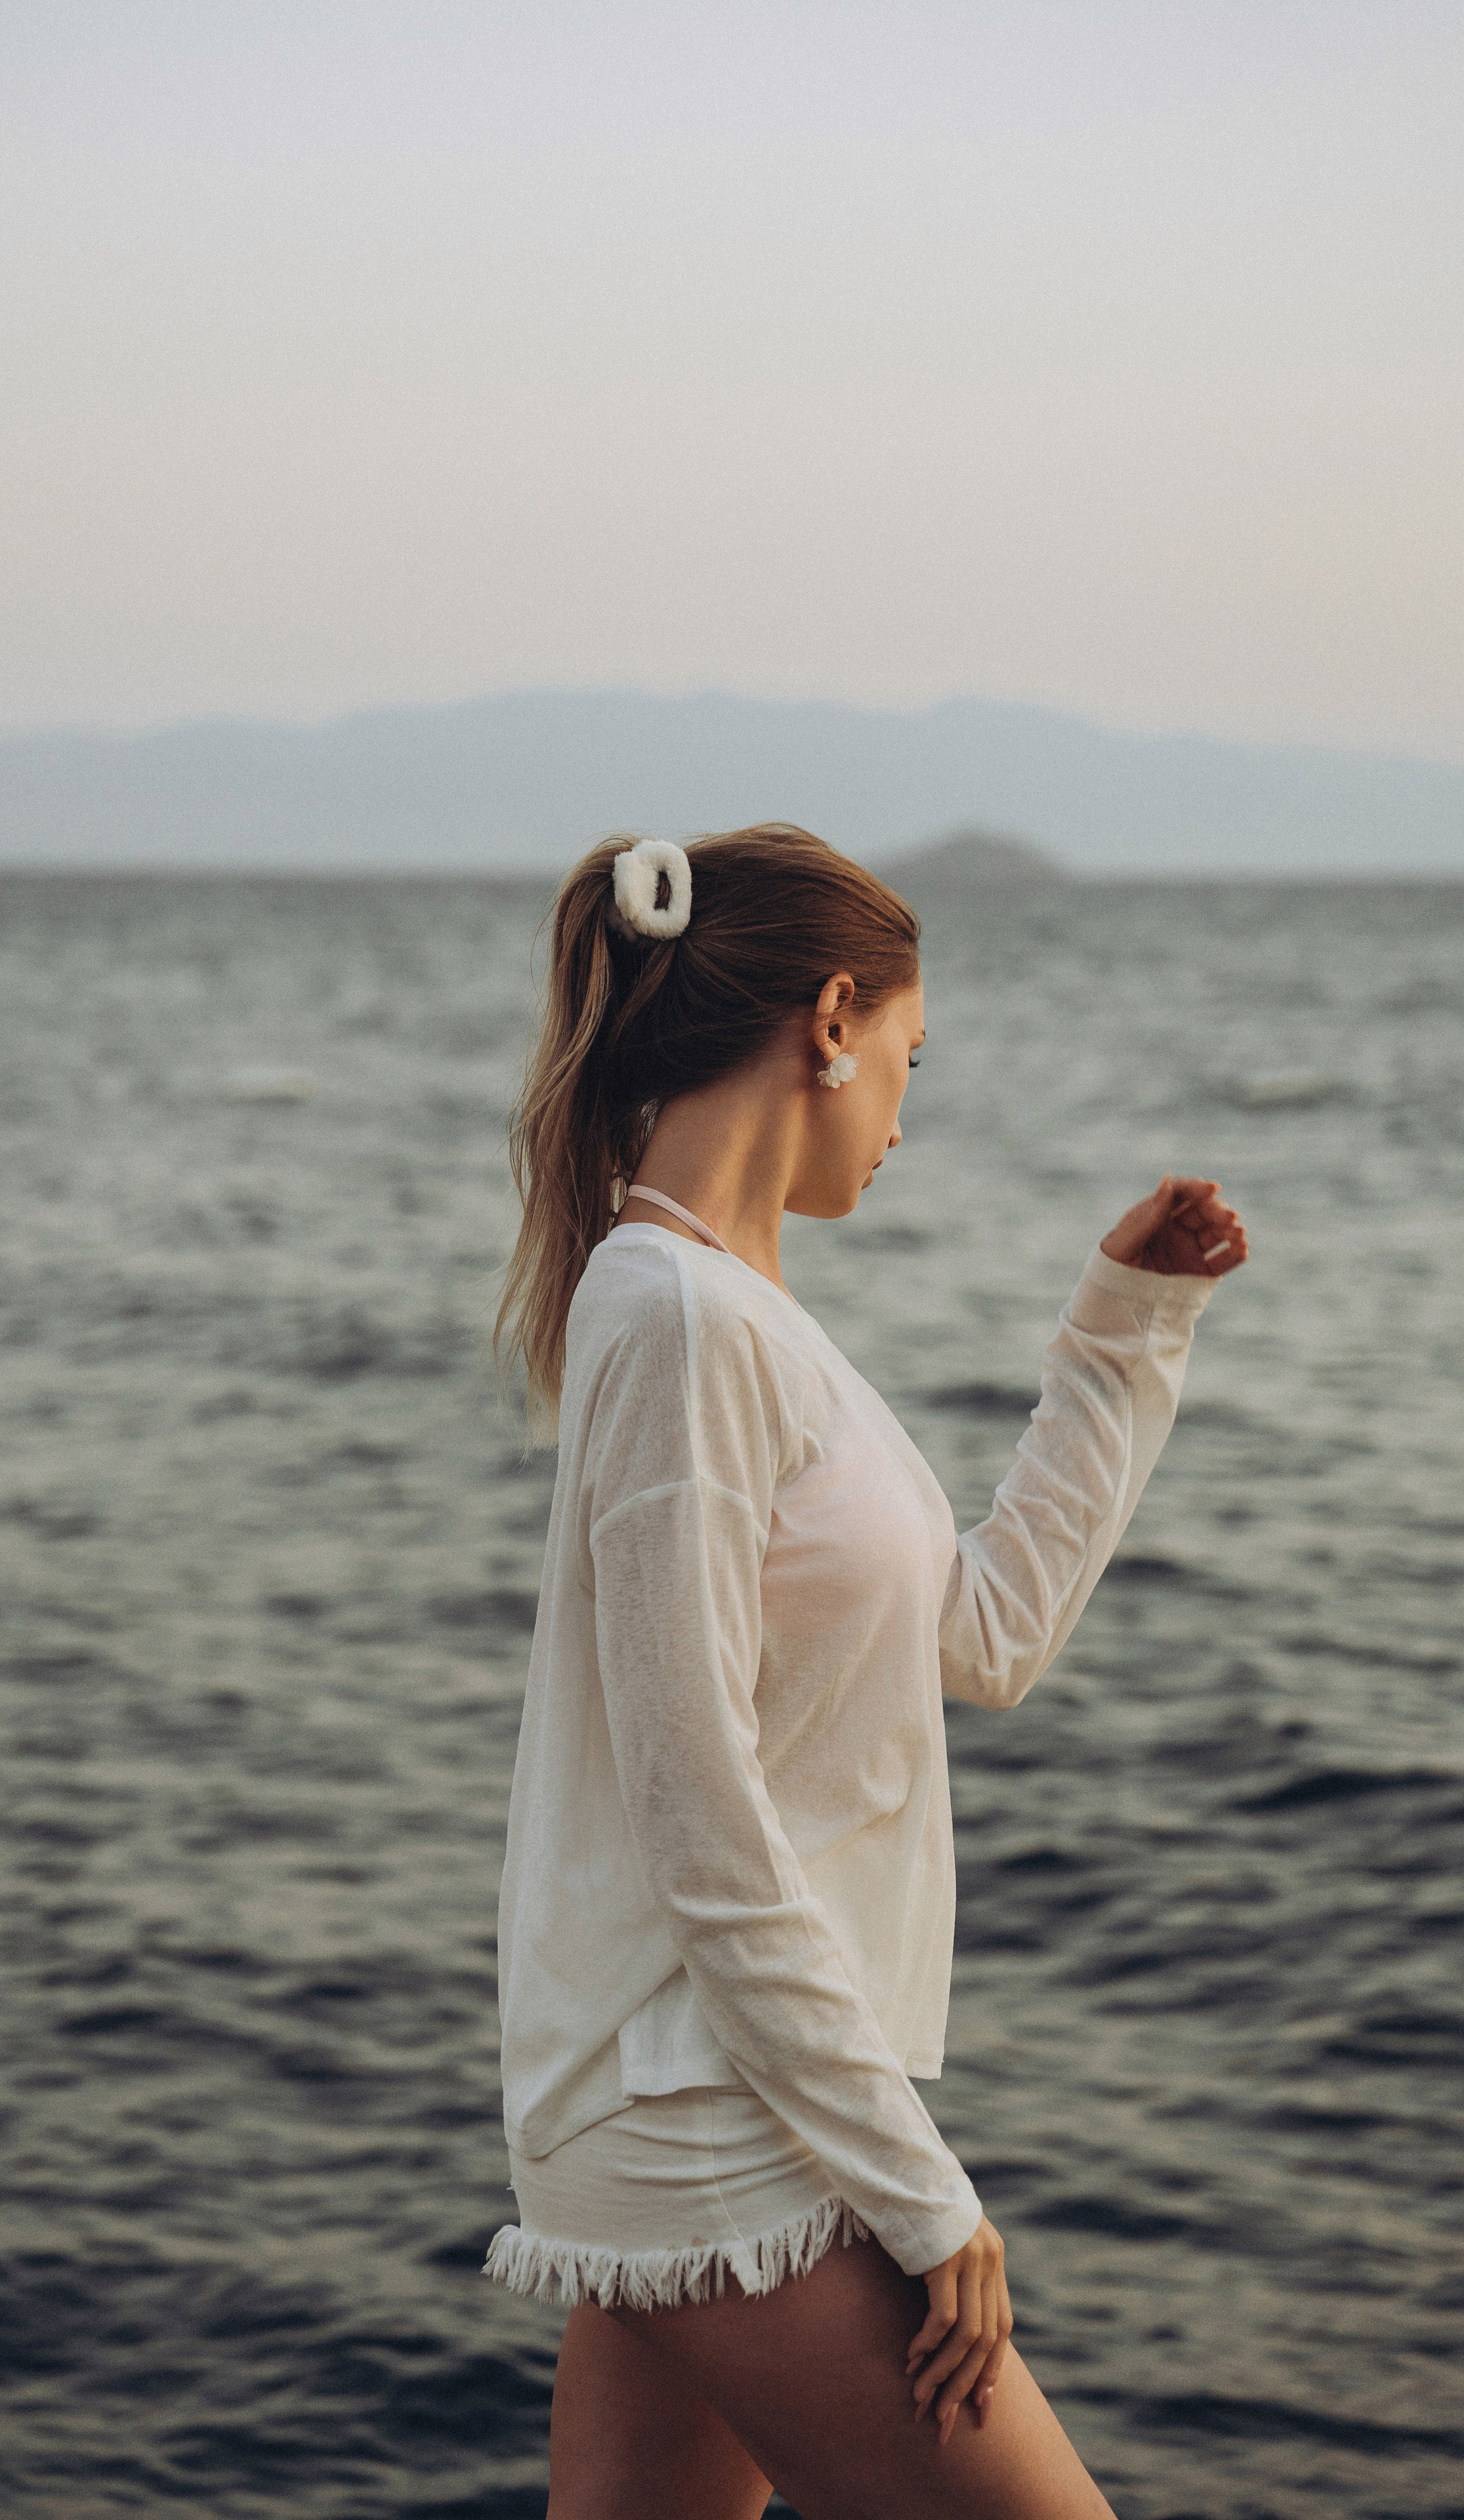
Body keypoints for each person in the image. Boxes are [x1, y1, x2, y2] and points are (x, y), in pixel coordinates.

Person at [487, 825, 1247, 2519]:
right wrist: (926, 2197)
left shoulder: (740, 1311)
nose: (906, 1108)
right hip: (703, 2104)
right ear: (832, 1018)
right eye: (911, 1053)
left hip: (699, 2080)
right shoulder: (683, 1317)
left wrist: (1122, 1335)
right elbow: (705, 1828)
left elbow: (982, 1635)